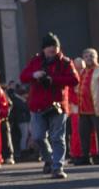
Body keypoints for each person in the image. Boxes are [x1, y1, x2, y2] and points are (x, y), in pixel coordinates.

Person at [19, 33, 79, 179]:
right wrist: (35, 75)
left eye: (55, 46)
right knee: (38, 136)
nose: (52, 49)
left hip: (58, 106)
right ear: (44, 48)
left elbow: (75, 80)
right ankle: (49, 159)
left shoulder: (65, 62)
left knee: (58, 137)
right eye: (49, 46)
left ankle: (58, 167)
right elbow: (23, 77)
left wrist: (53, 80)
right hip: (38, 106)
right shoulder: (36, 61)